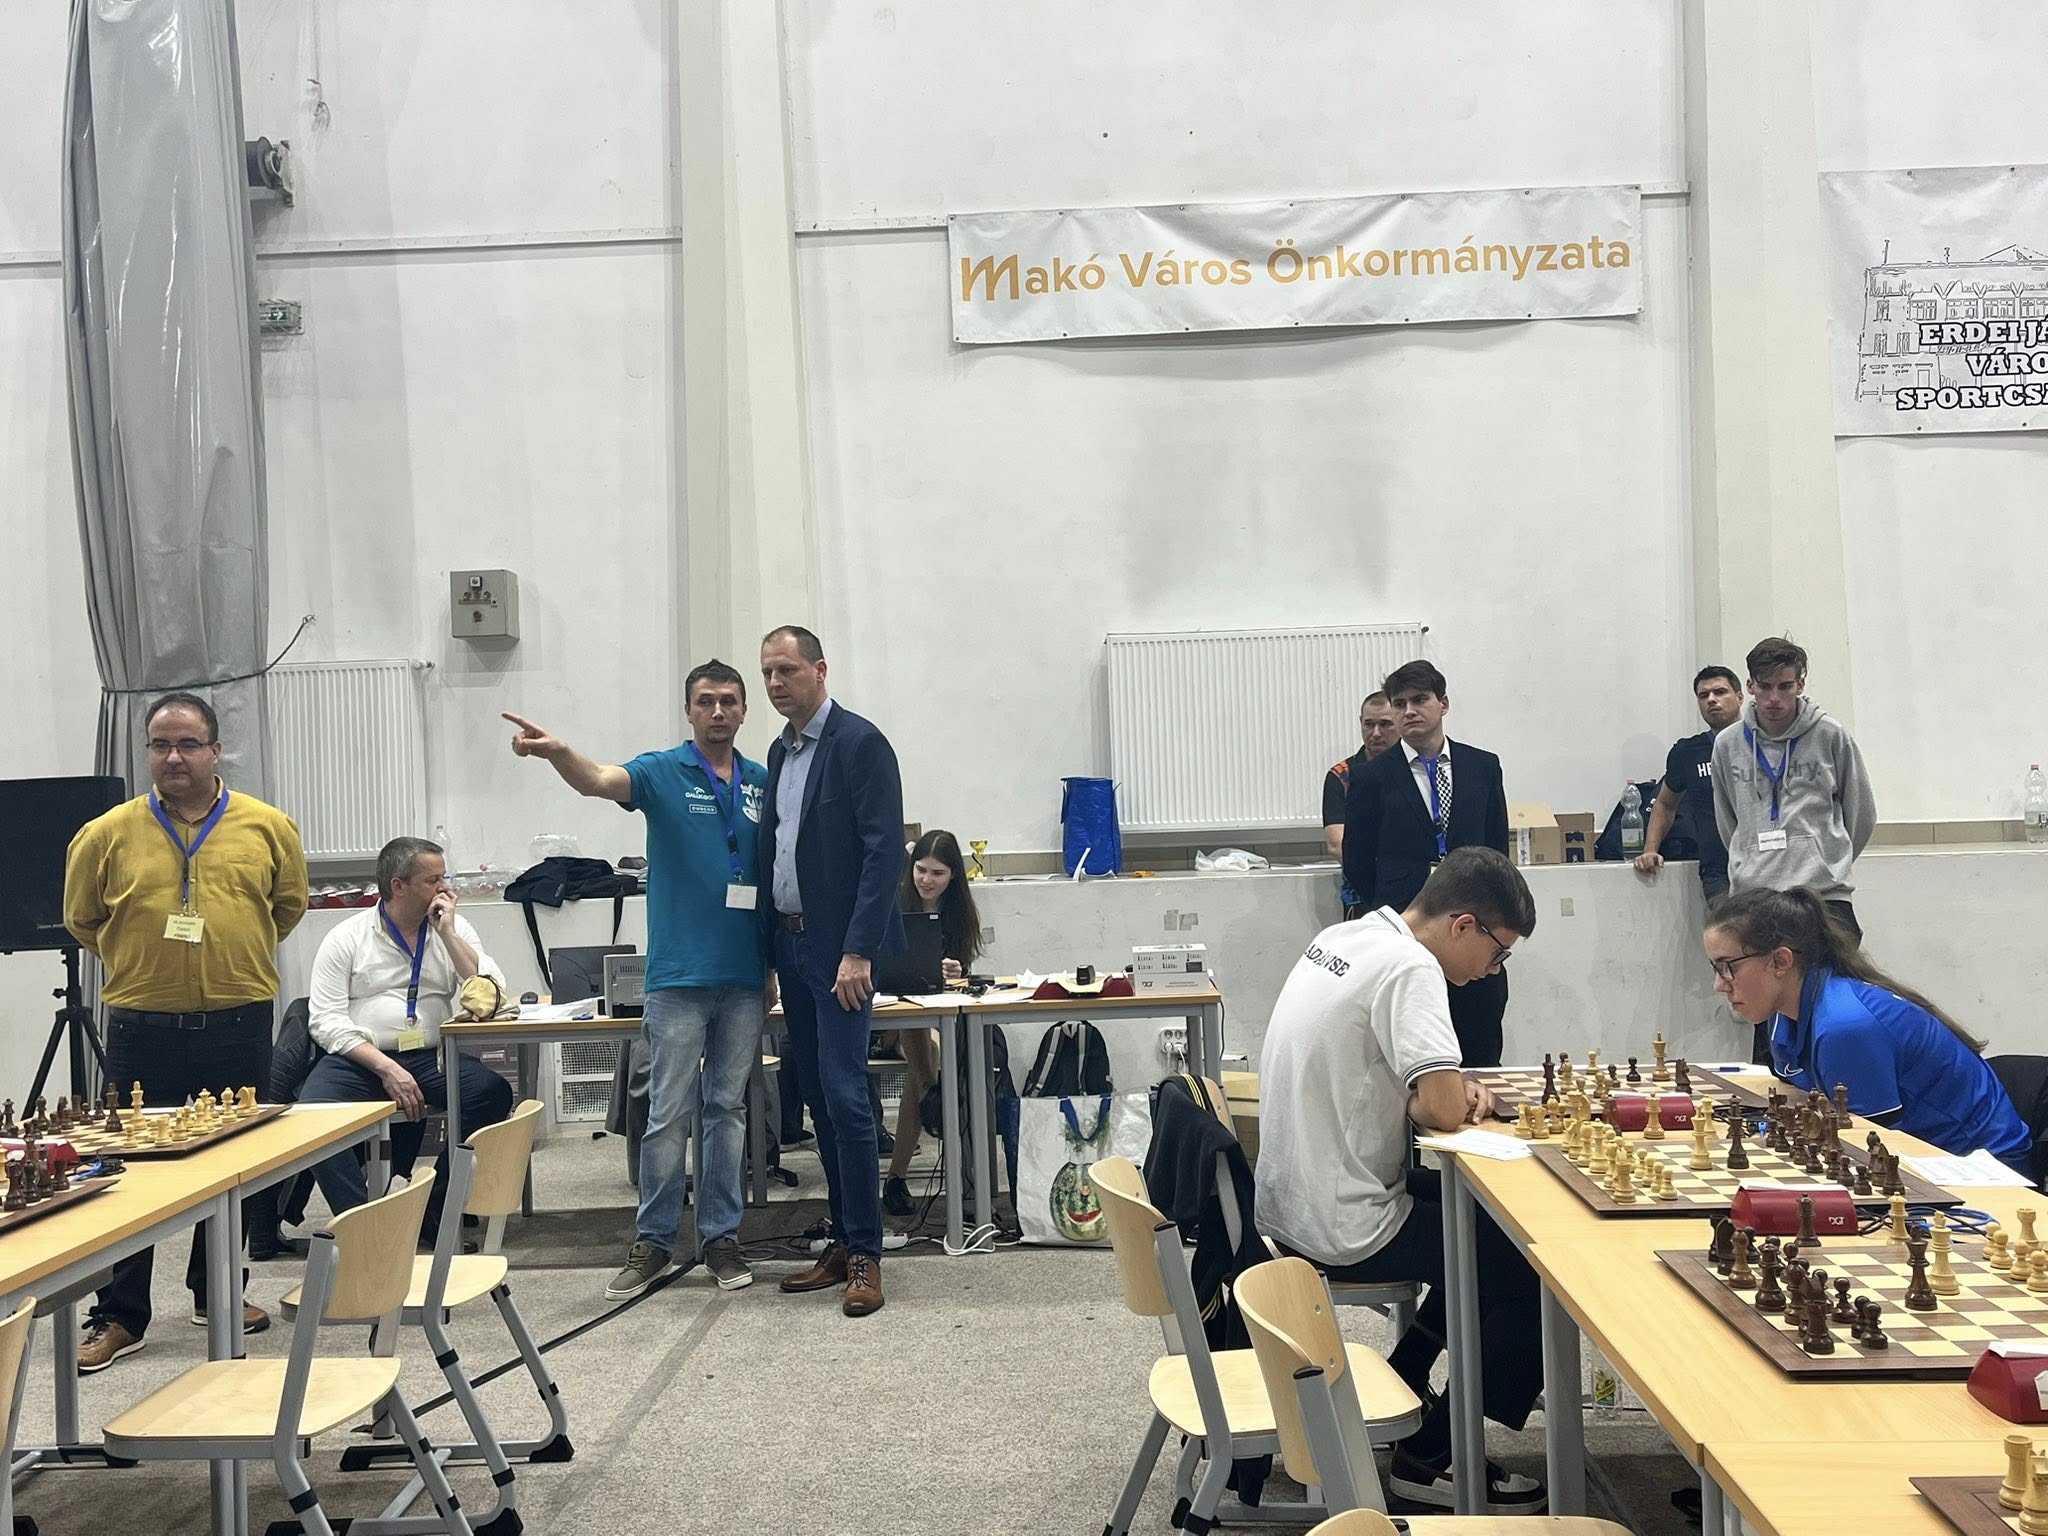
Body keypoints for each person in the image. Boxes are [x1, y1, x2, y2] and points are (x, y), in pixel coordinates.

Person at [1256, 847, 1545, 1513]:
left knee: (1484, 1230)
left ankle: (1403, 1387)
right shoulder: (1412, 966)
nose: (1493, 970)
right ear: (1463, 924)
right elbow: (1441, 1108)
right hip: (1345, 1222)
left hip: (1289, 1199)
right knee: (1533, 1268)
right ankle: (1433, 1457)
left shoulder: (1348, 936)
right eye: (1499, 952)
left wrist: (1432, 1092)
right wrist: (1437, 1097)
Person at [503, 658, 771, 1297]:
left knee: (727, 1110)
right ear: (688, 710)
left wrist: (770, 971)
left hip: (744, 978)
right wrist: (559, 752)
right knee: (668, 1113)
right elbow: (598, 780)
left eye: (728, 701)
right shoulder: (660, 771)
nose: (717, 711)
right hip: (677, 980)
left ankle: (721, 1239)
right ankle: (652, 1241)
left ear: (743, 710)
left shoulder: (763, 781)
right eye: (705, 701)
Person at [62, 691, 309, 1373]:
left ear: (215, 750)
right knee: (130, 1171)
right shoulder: (106, 833)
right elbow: (83, 919)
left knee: (232, 1162)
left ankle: (217, 1291)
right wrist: (146, 961)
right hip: (141, 1026)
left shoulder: (267, 826)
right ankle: (119, 1313)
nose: (173, 757)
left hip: (238, 1021)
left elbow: (286, 906)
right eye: (160, 745)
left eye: (188, 744)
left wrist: (230, 953)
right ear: (148, 751)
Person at [758, 625, 906, 1317]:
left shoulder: (859, 743)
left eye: (787, 670)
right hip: (792, 947)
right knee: (816, 1095)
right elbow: (775, 854)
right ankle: (843, 1242)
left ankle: (868, 1252)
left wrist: (858, 950)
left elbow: (884, 853)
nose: (775, 683)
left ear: (819, 670)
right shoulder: (779, 753)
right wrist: (767, 954)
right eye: (768, 672)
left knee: (847, 1098)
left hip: (839, 954)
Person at [1704, 888, 2029, 1170]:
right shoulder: (1783, 1011)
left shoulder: (1845, 1027)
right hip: (1922, 1159)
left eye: (1727, 967)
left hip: (1980, 1169)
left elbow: (1866, 1148)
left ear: (1781, 962)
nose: (1719, 985)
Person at [299, 837, 515, 1242]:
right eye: (433, 880)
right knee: (311, 1115)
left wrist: (448, 934)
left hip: (431, 1056)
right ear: (398, 886)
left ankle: (434, 1211)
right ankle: (364, 1225)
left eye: (445, 877)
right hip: (362, 1058)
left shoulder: (453, 928)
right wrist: (386, 1068)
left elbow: (491, 993)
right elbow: (325, 1021)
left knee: (491, 1093)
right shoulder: (347, 937)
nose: (445, 889)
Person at [1341, 661, 1513, 1066]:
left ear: (1443, 704)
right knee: (1411, 1039)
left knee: (1479, 1038)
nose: (1409, 711)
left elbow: (1496, 847)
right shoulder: (1370, 777)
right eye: (1399, 704)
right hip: (1407, 922)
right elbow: (1357, 860)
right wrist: (1392, 899)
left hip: (1473, 922)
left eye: (1419, 700)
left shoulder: (1482, 766)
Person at [1712, 635, 1877, 942]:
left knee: (1830, 973)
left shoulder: (1830, 735)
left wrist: (1827, 858)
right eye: (1765, 686)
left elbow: (1861, 813)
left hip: (1823, 893)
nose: (1774, 698)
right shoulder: (1727, 744)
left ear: (1800, 685)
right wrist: (1746, 857)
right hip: (1753, 892)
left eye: (1785, 686)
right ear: (1750, 686)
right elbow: (1727, 819)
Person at [881, 829, 982, 1219]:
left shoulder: (960, 915)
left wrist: (954, 971)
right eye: (921, 870)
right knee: (928, 1044)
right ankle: (932, 1099)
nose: (927, 879)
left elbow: (962, 979)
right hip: (885, 1020)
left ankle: (897, 1177)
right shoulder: (891, 903)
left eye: (937, 873)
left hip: (930, 1019)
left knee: (928, 1054)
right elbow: (877, 967)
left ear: (953, 875)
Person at [1635, 665, 1742, 907]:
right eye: (1703, 695)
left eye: (1720, 692)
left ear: (1740, 697)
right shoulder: (1687, 752)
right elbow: (1664, 804)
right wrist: (1650, 849)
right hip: (1718, 872)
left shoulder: (1762, 744)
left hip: (1766, 866)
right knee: (1730, 931)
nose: (1711, 700)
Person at [1323, 691, 1401, 918]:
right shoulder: (1341, 775)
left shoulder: (1417, 770)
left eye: (1385, 724)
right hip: (1362, 896)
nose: (1375, 733)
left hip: (1415, 893)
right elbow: (1337, 845)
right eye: (1369, 724)